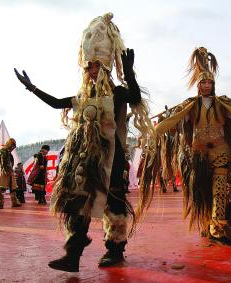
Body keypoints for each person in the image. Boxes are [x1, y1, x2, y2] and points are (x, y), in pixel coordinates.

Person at [15, 12, 153, 271]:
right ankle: (73, 254)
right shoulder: (82, 97)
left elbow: (135, 96)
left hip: (114, 158)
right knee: (80, 204)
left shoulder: (117, 93)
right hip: (87, 160)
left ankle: (115, 249)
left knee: (114, 204)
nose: (89, 70)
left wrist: (130, 72)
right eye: (87, 66)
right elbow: (58, 103)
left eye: (93, 66)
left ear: (104, 67)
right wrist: (31, 88)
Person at [137, 47, 231, 246]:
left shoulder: (223, 106)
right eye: (203, 82)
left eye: (209, 82)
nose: (206, 85)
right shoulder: (189, 106)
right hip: (198, 155)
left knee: (220, 191)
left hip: (221, 152)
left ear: (213, 84)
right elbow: (174, 122)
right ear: (198, 85)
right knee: (202, 192)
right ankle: (207, 224)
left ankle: (218, 229)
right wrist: (156, 129)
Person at [0, 138, 21, 209]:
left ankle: (14, 202)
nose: (13, 148)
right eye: (12, 146)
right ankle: (0, 203)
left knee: (13, 187)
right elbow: (3, 162)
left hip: (10, 171)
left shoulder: (8, 152)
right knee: (3, 187)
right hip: (5, 171)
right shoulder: (4, 151)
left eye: (14, 146)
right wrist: (6, 169)